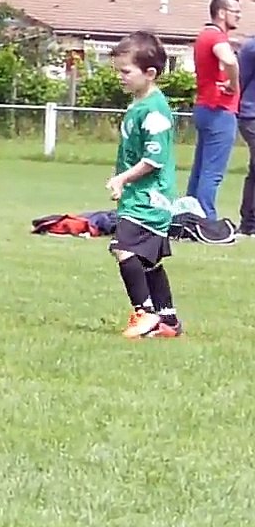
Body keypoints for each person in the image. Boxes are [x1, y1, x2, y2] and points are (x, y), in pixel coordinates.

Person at [105, 31, 181, 339]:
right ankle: (168, 320)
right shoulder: (141, 104)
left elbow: (154, 160)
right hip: (141, 196)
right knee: (149, 261)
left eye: (126, 71)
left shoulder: (154, 111)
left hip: (149, 199)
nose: (120, 77)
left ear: (149, 73)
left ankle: (145, 312)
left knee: (123, 249)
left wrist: (122, 178)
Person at [186, 0, 242, 221]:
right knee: (212, 171)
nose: (239, 16)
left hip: (204, 107)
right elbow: (229, 60)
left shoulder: (203, 36)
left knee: (200, 169)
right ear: (221, 13)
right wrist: (234, 83)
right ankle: (206, 221)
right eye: (235, 12)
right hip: (220, 109)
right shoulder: (216, 37)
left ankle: (188, 215)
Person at [238, 36, 255, 237]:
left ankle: (249, 222)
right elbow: (239, 81)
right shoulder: (251, 47)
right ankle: (249, 223)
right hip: (251, 115)